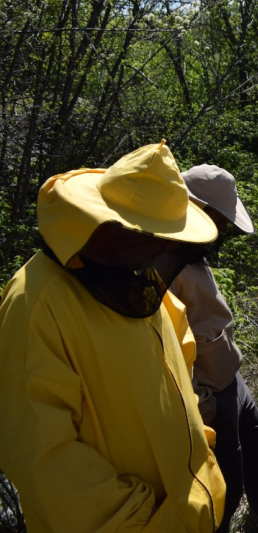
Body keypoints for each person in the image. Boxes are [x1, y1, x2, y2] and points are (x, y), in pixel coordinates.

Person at [0, 142, 226, 531]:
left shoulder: (136, 282)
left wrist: (198, 457)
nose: (163, 247)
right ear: (113, 228)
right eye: (155, 236)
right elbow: (43, 460)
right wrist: (146, 521)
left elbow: (178, 369)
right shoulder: (34, 304)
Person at [173, 164, 258, 533]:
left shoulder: (190, 252)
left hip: (229, 380)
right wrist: (201, 398)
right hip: (208, 393)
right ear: (194, 208)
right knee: (224, 485)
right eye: (218, 217)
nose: (224, 228)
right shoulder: (162, 261)